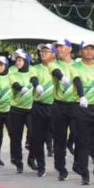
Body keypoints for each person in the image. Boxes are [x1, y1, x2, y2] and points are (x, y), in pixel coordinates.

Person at [70, 41, 94, 185]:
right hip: (81, 106)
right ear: (81, 51)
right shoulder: (75, 67)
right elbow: (77, 81)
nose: (88, 51)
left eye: (91, 49)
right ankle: (84, 173)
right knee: (82, 141)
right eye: (85, 49)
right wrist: (81, 96)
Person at [50, 39, 76, 181]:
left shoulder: (78, 65)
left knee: (79, 135)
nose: (58, 49)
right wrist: (62, 78)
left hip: (75, 105)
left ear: (69, 49)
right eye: (57, 47)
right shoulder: (54, 64)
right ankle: (61, 168)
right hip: (59, 105)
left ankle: (79, 164)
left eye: (61, 46)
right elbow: (56, 72)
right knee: (59, 139)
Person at [7, 49, 36, 173]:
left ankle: (31, 158)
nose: (17, 62)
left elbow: (35, 80)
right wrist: (21, 88)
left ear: (26, 61)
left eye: (20, 60)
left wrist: (37, 85)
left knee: (34, 134)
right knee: (16, 137)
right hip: (16, 109)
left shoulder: (33, 71)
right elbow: (15, 85)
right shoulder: (13, 73)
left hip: (31, 109)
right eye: (16, 60)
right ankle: (18, 162)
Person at [29, 44, 56, 177]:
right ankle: (41, 166)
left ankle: (60, 166)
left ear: (54, 54)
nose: (43, 53)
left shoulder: (59, 68)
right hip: (39, 106)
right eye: (42, 51)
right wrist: (36, 85)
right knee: (38, 138)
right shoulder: (35, 68)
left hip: (55, 107)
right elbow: (33, 78)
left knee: (57, 137)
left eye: (46, 51)